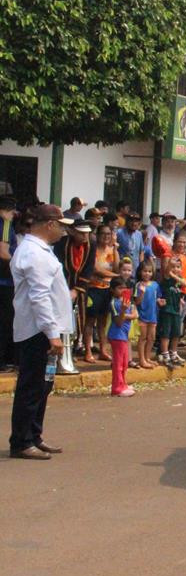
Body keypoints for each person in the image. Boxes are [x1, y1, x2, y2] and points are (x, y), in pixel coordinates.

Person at [8, 205, 75, 460]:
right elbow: (40, 298)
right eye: (61, 225)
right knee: (32, 386)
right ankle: (22, 441)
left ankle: (34, 435)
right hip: (38, 331)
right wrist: (52, 334)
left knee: (42, 386)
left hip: (45, 330)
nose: (63, 230)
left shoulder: (40, 251)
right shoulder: (34, 253)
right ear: (49, 224)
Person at [56, 218, 94, 361]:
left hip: (80, 287)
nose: (85, 237)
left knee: (80, 317)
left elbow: (89, 268)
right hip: (63, 284)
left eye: (87, 234)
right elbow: (58, 264)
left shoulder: (92, 244)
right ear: (72, 232)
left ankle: (74, 348)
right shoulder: (62, 243)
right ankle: (61, 349)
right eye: (81, 234)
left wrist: (77, 290)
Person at [82, 225, 118, 363]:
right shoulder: (93, 250)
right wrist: (117, 276)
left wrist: (115, 249)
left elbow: (116, 266)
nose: (106, 236)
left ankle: (103, 350)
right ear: (97, 235)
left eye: (108, 234)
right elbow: (96, 270)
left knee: (103, 322)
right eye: (103, 234)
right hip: (93, 287)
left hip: (107, 289)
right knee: (90, 321)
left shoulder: (111, 250)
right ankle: (88, 351)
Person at [107, 276, 137, 397]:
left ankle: (122, 383)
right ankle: (117, 388)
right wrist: (124, 312)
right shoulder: (114, 303)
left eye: (124, 288)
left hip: (123, 335)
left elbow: (135, 314)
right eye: (119, 288)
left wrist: (126, 314)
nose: (122, 290)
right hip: (117, 335)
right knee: (118, 363)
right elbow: (118, 322)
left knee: (124, 363)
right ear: (113, 290)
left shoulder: (126, 301)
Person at [157, 257, 186, 367]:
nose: (175, 269)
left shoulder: (177, 282)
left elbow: (185, 284)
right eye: (173, 267)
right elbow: (167, 271)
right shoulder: (168, 278)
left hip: (176, 311)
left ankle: (173, 353)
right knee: (166, 333)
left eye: (178, 267)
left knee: (176, 333)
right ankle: (165, 354)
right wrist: (171, 265)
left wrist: (180, 299)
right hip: (167, 310)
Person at [0, 197, 18, 371]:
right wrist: (19, 266)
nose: (14, 215)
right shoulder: (5, 225)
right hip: (5, 282)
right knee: (5, 322)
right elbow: (4, 252)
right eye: (12, 211)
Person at [134, 262, 160, 369]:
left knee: (151, 338)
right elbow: (137, 302)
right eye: (145, 271)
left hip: (153, 315)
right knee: (143, 338)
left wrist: (160, 301)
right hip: (142, 316)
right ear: (140, 272)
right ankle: (141, 360)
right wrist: (142, 293)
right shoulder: (138, 285)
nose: (147, 274)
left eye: (149, 271)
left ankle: (147, 357)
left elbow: (157, 298)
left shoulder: (155, 285)